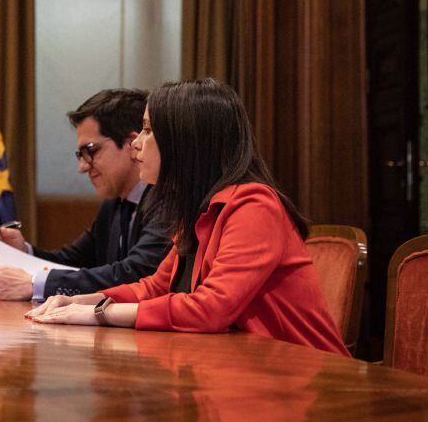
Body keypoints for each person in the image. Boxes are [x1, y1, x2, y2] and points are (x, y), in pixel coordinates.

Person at [25, 79, 348, 356]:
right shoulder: (197, 210)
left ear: (186, 141)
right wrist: (84, 300)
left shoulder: (254, 205)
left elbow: (211, 309)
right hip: (243, 370)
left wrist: (100, 313)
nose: (136, 142)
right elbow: (155, 286)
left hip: (306, 382)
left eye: (149, 130)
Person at [0, 89, 170, 301]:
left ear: (132, 144)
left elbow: (135, 273)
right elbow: (73, 262)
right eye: (80, 154)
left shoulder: (168, 201)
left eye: (90, 151)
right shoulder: (113, 205)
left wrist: (35, 284)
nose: (82, 167)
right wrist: (23, 251)